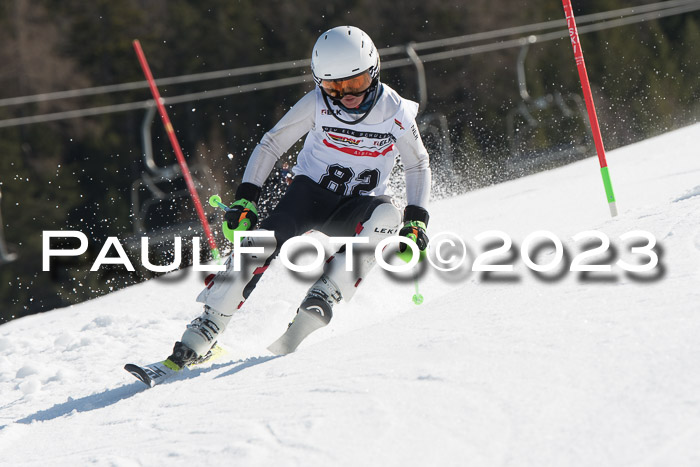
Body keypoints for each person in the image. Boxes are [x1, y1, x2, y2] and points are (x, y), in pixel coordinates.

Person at [166, 25, 432, 368]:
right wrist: (247, 198)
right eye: (336, 87)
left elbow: (417, 162)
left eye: (357, 83)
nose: (348, 96)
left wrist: (417, 220)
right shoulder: (316, 104)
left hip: (355, 206)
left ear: (375, 71)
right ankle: (207, 328)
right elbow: (271, 143)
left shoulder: (393, 111)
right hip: (308, 195)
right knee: (257, 244)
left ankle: (325, 294)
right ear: (321, 83)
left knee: (387, 217)